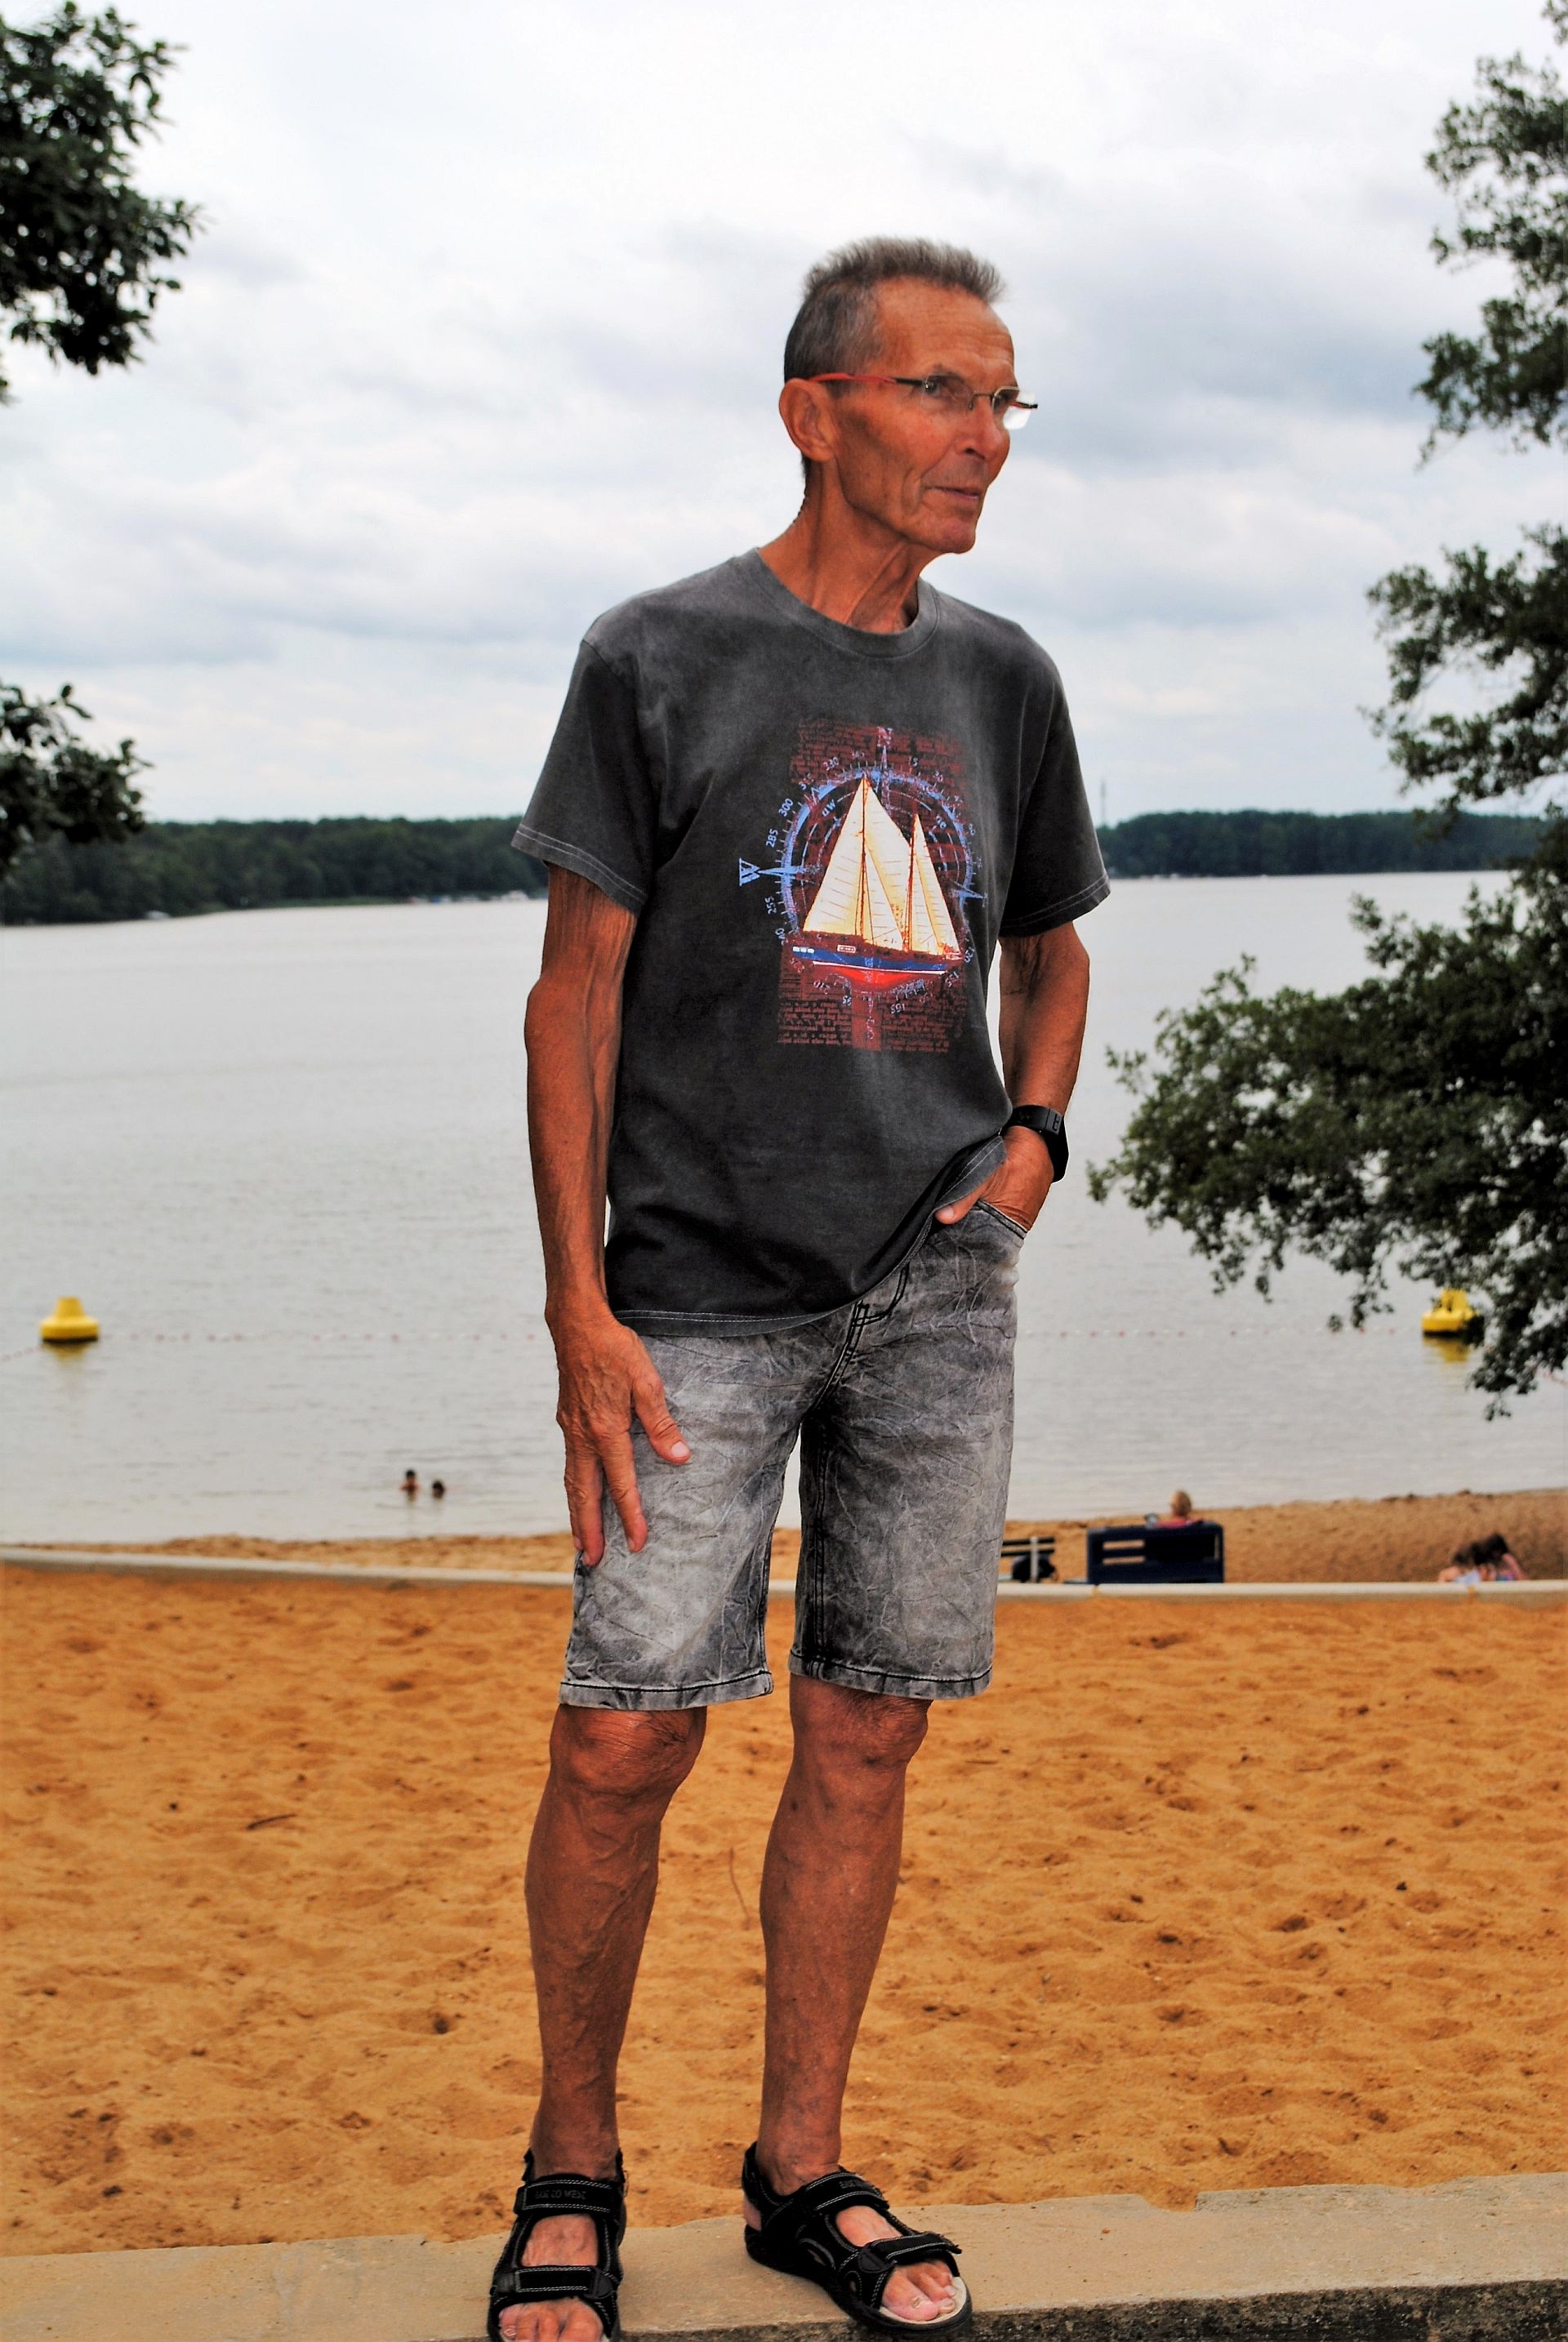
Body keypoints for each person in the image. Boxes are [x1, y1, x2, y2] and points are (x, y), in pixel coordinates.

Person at [487, 238, 1107, 2342]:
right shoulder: (657, 655)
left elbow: (1055, 946)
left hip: (936, 1291)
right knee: (622, 1742)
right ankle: (572, 2169)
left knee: (864, 1735)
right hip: (690, 1298)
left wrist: (1032, 1145)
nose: (986, 438)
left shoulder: (1006, 681)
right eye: (944, 392)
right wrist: (578, 1315)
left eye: (1006, 401)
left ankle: (798, 2169)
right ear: (812, 413)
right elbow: (572, 1002)